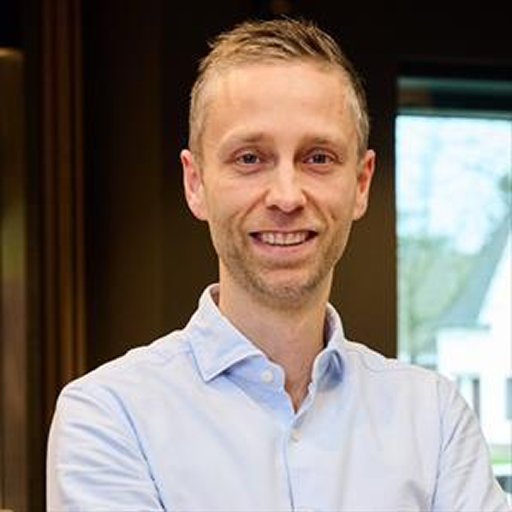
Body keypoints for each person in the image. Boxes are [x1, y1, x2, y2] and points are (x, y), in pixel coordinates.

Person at [47, 18, 511, 512]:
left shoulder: (435, 419)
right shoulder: (109, 417)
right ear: (195, 183)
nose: (287, 196)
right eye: (250, 158)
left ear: (361, 183)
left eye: (318, 158)